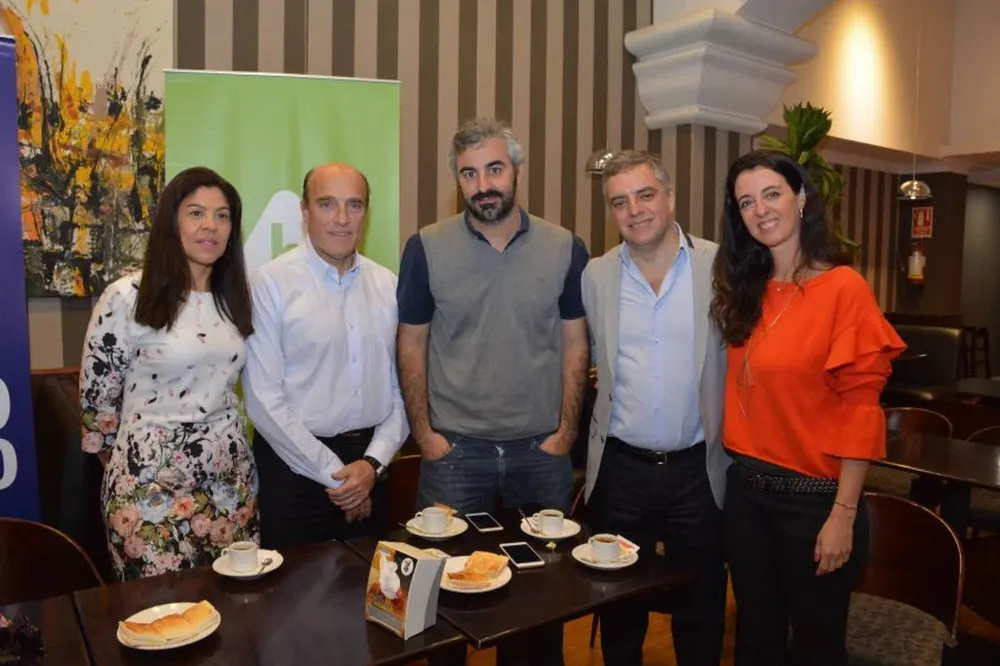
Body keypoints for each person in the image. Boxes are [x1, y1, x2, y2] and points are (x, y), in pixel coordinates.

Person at [396, 117, 590, 665]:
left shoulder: (564, 247)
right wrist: (426, 437)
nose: (483, 184)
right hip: (455, 457)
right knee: (441, 610)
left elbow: (576, 346)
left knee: (540, 604)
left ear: (517, 171)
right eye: (469, 173)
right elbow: (410, 347)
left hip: (540, 456)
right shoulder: (426, 248)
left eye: (494, 169)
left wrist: (566, 433)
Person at [710, 150, 906, 665]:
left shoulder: (844, 289)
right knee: (754, 643)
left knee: (815, 649)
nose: (760, 210)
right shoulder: (744, 291)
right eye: (745, 202)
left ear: (800, 199)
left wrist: (843, 514)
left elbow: (862, 411)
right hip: (747, 498)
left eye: (771, 194)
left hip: (816, 503)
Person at [581, 150, 729, 666]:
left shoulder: (720, 265)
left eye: (645, 195)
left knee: (702, 608)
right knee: (621, 608)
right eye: (619, 201)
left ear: (669, 197)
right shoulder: (596, 276)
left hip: (699, 470)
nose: (635, 210)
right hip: (622, 471)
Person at [79, 166, 258, 581]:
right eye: (196, 213)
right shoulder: (127, 297)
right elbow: (97, 407)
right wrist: (136, 472)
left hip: (230, 487)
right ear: (171, 222)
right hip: (147, 493)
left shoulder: (236, 300)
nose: (210, 225)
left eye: (223, 215)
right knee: (160, 619)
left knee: (235, 615)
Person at [242, 162, 407, 551]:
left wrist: (371, 466)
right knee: (291, 603)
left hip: (371, 466)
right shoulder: (270, 284)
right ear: (304, 212)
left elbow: (404, 390)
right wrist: (340, 478)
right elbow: (263, 400)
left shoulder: (389, 285)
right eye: (327, 204)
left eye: (355, 205)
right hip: (293, 470)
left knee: (368, 599)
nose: (342, 219)